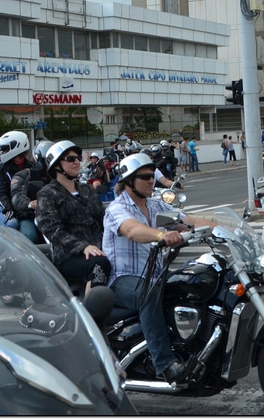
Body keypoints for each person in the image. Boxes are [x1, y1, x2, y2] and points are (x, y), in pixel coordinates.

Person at [103, 153, 188, 384]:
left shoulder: (155, 204)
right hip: (122, 280)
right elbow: (132, 230)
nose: (152, 180)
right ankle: (165, 364)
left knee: (189, 283)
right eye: (146, 176)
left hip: (153, 274)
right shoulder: (116, 208)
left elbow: (187, 220)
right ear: (129, 181)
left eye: (153, 176)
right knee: (147, 293)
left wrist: (224, 228)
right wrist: (162, 234)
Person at [36, 140, 110, 296]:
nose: (77, 162)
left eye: (78, 158)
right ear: (56, 165)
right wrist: (83, 246)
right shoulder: (47, 194)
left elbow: (104, 220)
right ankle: (92, 314)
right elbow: (52, 230)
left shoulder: (87, 190)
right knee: (99, 264)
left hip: (99, 248)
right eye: (70, 159)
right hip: (69, 255)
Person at [7, 141, 54, 244]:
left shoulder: (61, 177)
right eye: (48, 160)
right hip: (30, 216)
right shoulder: (24, 175)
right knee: (29, 235)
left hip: (55, 215)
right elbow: (16, 196)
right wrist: (30, 203)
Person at [0, 131, 31, 230]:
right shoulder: (0, 169)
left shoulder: (33, 167)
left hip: (26, 208)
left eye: (5, 149)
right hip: (7, 207)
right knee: (12, 223)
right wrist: (10, 209)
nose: (3, 152)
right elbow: (0, 193)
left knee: (30, 233)